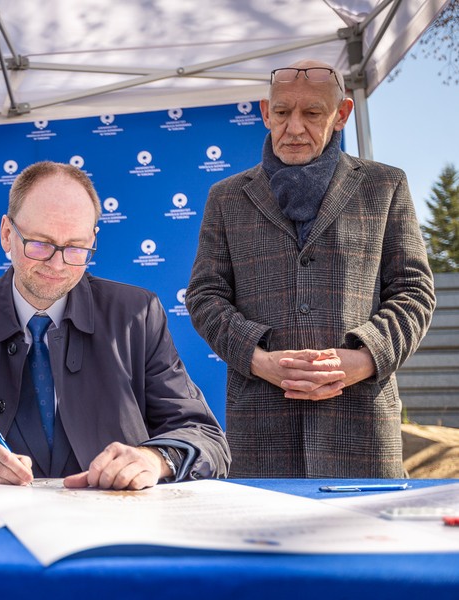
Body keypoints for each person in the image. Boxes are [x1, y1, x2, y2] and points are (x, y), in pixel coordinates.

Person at [0, 161, 230, 489]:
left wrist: (154, 460)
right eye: (40, 244)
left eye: (76, 248)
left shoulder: (137, 314)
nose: (57, 264)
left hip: (111, 524)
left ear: (93, 240)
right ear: (7, 234)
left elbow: (207, 438)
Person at [185, 59, 435, 478]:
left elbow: (414, 293)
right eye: (282, 112)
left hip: (362, 429)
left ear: (342, 114)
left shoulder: (385, 186)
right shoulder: (226, 197)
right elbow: (205, 295)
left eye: (313, 113)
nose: (294, 127)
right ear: (266, 113)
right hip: (261, 430)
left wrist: (365, 359)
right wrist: (258, 359)